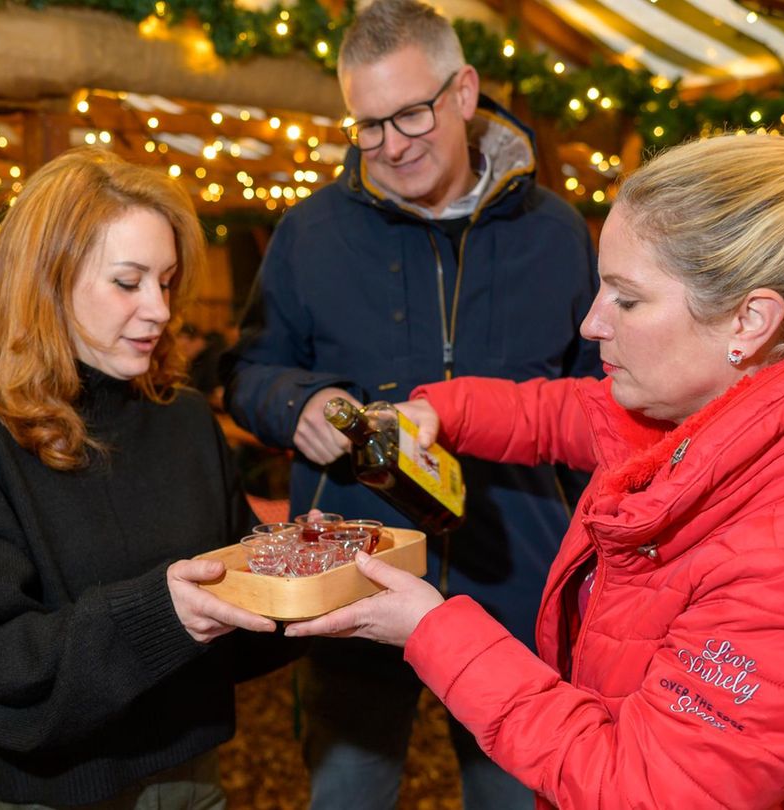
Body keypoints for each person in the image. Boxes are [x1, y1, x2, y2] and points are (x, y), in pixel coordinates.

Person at [286, 135, 784, 808]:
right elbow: (562, 414)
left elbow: (643, 789)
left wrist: (431, 630)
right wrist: (439, 410)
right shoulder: (724, 410)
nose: (592, 323)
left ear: (749, 321)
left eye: (628, 299)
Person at [224, 0, 600, 806]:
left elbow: (602, 400)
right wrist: (298, 402)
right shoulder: (309, 232)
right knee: (349, 788)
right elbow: (249, 372)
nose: (391, 145)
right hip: (353, 575)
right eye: (368, 123)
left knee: (514, 792)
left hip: (517, 580)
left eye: (411, 113)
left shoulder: (557, 233)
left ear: (464, 92)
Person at [0, 147, 290, 809]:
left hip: (190, 780)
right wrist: (158, 615)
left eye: (166, 281)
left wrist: (304, 580)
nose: (160, 310)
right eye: (128, 281)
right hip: (48, 796)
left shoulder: (186, 420)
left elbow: (232, 595)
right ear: (47, 281)